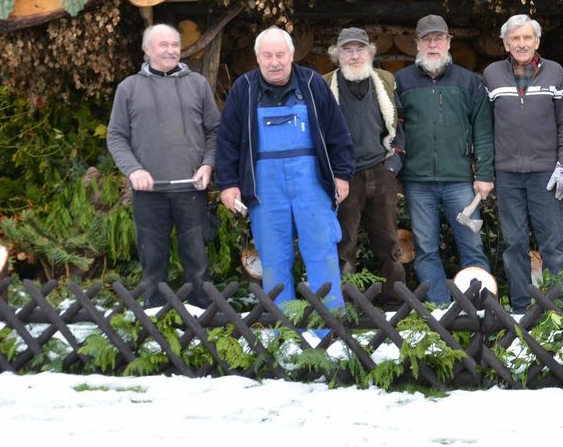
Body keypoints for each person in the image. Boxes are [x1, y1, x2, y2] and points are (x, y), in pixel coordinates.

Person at [215, 27, 355, 309]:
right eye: (267, 55)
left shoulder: (313, 84)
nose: (274, 62)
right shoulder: (244, 89)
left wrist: (341, 175)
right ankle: (284, 333)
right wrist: (228, 183)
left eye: (280, 54)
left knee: (321, 254)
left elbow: (337, 132)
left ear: (292, 54)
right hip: (265, 188)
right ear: (257, 58)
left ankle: (328, 329)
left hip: (311, 183)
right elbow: (227, 140)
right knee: (274, 259)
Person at [107, 24, 220, 308]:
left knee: (197, 259)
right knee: (153, 261)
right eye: (163, 45)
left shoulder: (198, 84)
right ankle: (155, 320)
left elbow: (215, 132)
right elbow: (116, 135)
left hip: (191, 188)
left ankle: (201, 318)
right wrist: (133, 170)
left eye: (175, 44)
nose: (171, 50)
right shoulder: (128, 88)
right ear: (147, 50)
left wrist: (207, 165)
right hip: (149, 192)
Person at [396, 14, 494, 304]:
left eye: (438, 38)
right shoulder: (402, 81)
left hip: (460, 182)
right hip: (417, 182)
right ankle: (439, 313)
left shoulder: (469, 81)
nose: (433, 44)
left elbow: (483, 131)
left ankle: (479, 310)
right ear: (417, 44)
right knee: (425, 250)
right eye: (426, 39)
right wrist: (397, 172)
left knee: (472, 247)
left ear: (449, 42)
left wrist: (485, 172)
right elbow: (394, 130)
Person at [483, 14, 563, 313]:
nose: (521, 44)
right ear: (506, 43)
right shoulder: (492, 74)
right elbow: (485, 127)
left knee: (552, 246)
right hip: (507, 174)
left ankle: (556, 308)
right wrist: (487, 168)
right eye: (515, 39)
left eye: (527, 38)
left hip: (545, 173)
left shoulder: (555, 72)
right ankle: (521, 307)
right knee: (514, 244)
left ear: (537, 41)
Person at [323, 27, 408, 309]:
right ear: (337, 55)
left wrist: (392, 166)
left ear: (370, 52)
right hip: (344, 177)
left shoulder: (384, 81)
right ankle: (342, 304)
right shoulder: (325, 86)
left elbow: (398, 125)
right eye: (348, 49)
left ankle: (394, 303)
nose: (355, 55)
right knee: (344, 245)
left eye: (360, 49)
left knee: (389, 244)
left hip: (380, 170)